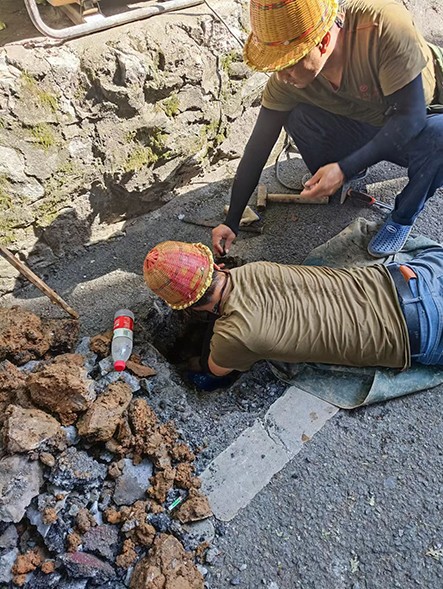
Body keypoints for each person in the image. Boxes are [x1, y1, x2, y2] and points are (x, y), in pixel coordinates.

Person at [212, 0, 443, 259]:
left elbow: (410, 120)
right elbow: (257, 148)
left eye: (288, 64)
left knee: (440, 138)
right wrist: (232, 220)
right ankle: (353, 169)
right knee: (297, 116)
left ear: (322, 44)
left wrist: (343, 169)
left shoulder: (382, 25)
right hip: (371, 122)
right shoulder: (287, 80)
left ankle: (402, 217)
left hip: (422, 115)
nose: (281, 77)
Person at [143, 240, 443, 377]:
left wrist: (189, 366)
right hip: (416, 275)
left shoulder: (233, 336)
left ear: (190, 308)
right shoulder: (257, 269)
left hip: (424, 331)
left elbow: (215, 370)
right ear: (216, 266)